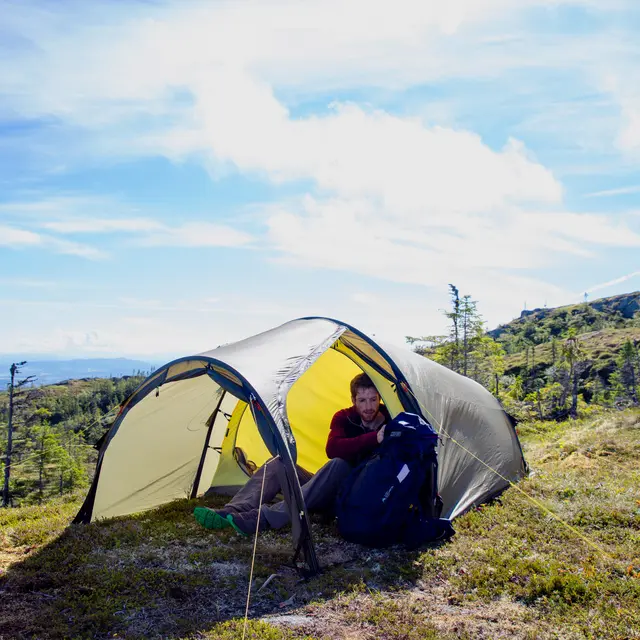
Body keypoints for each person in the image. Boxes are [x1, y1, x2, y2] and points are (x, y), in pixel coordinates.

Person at [194, 373, 389, 536]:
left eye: (373, 400)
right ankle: (232, 510)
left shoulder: (391, 421)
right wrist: (374, 438)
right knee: (280, 463)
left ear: (380, 398)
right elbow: (333, 448)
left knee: (340, 466)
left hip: (349, 497)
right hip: (323, 485)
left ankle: (261, 518)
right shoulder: (344, 417)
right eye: (362, 400)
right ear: (353, 400)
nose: (368, 406)